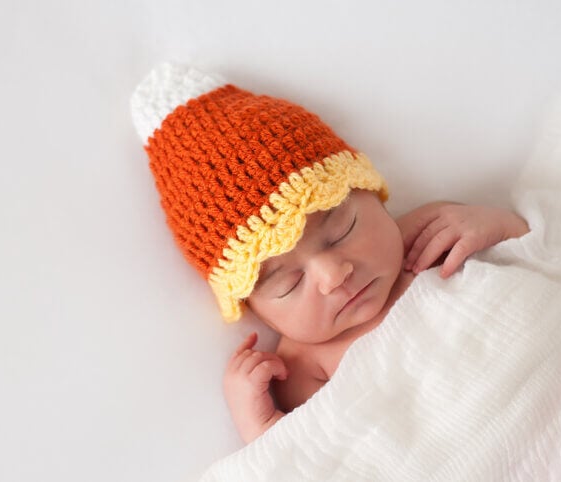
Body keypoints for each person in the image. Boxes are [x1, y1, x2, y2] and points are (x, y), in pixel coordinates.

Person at [131, 63, 530, 445]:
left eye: (342, 230)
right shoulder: (301, 365)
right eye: (289, 283)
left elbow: (537, 254)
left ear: (371, 193)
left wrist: (494, 224)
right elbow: (316, 459)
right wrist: (260, 426)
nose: (333, 274)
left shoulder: (429, 232)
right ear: (253, 308)